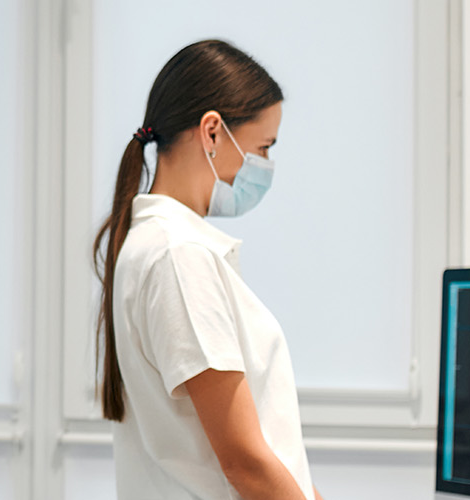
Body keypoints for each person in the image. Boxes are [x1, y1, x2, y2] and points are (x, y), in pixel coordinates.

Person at [92, 40, 321, 500]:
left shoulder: (159, 245)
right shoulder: (178, 256)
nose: (266, 166)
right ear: (212, 132)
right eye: (264, 147)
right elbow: (244, 462)